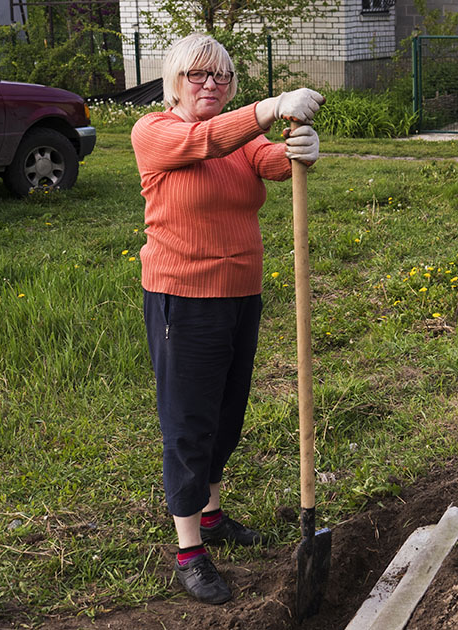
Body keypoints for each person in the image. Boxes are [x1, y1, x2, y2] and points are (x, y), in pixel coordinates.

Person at [130, 33, 323, 605]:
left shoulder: (239, 136)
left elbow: (271, 161)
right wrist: (271, 107)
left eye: (221, 76)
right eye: (197, 74)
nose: (210, 84)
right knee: (189, 422)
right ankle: (189, 550)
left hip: (241, 295)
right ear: (174, 81)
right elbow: (206, 143)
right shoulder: (156, 131)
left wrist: (301, 148)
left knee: (227, 413)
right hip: (184, 298)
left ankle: (212, 516)